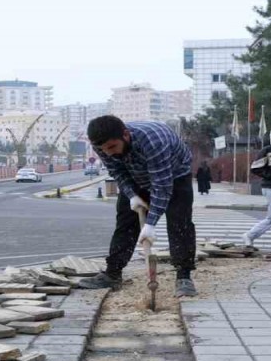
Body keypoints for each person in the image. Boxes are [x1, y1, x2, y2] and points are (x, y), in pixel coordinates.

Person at [77, 115, 198, 297]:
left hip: (174, 175)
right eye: (104, 150)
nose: (109, 153)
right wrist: (132, 195)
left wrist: (150, 224)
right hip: (136, 178)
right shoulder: (102, 145)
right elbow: (117, 171)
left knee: (180, 222)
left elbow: (161, 186)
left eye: (112, 147)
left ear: (125, 135)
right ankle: (113, 274)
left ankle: (184, 276)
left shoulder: (154, 140)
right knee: (125, 223)